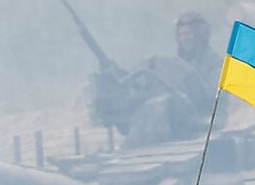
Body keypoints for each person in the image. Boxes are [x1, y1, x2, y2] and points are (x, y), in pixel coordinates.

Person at [90, 12, 217, 145]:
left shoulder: (213, 63)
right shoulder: (175, 62)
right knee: (142, 99)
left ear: (201, 36)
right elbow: (146, 82)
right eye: (180, 35)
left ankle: (134, 146)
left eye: (188, 34)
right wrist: (116, 72)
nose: (184, 38)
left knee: (158, 104)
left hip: (198, 118)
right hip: (175, 120)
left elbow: (209, 100)